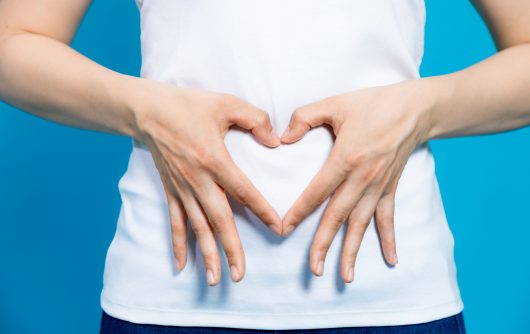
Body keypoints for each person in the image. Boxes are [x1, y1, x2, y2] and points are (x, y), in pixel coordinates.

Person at [1, 0, 529, 333]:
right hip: (172, 301)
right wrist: (144, 111)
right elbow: (11, 40)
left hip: (392, 301)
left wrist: (422, 109)